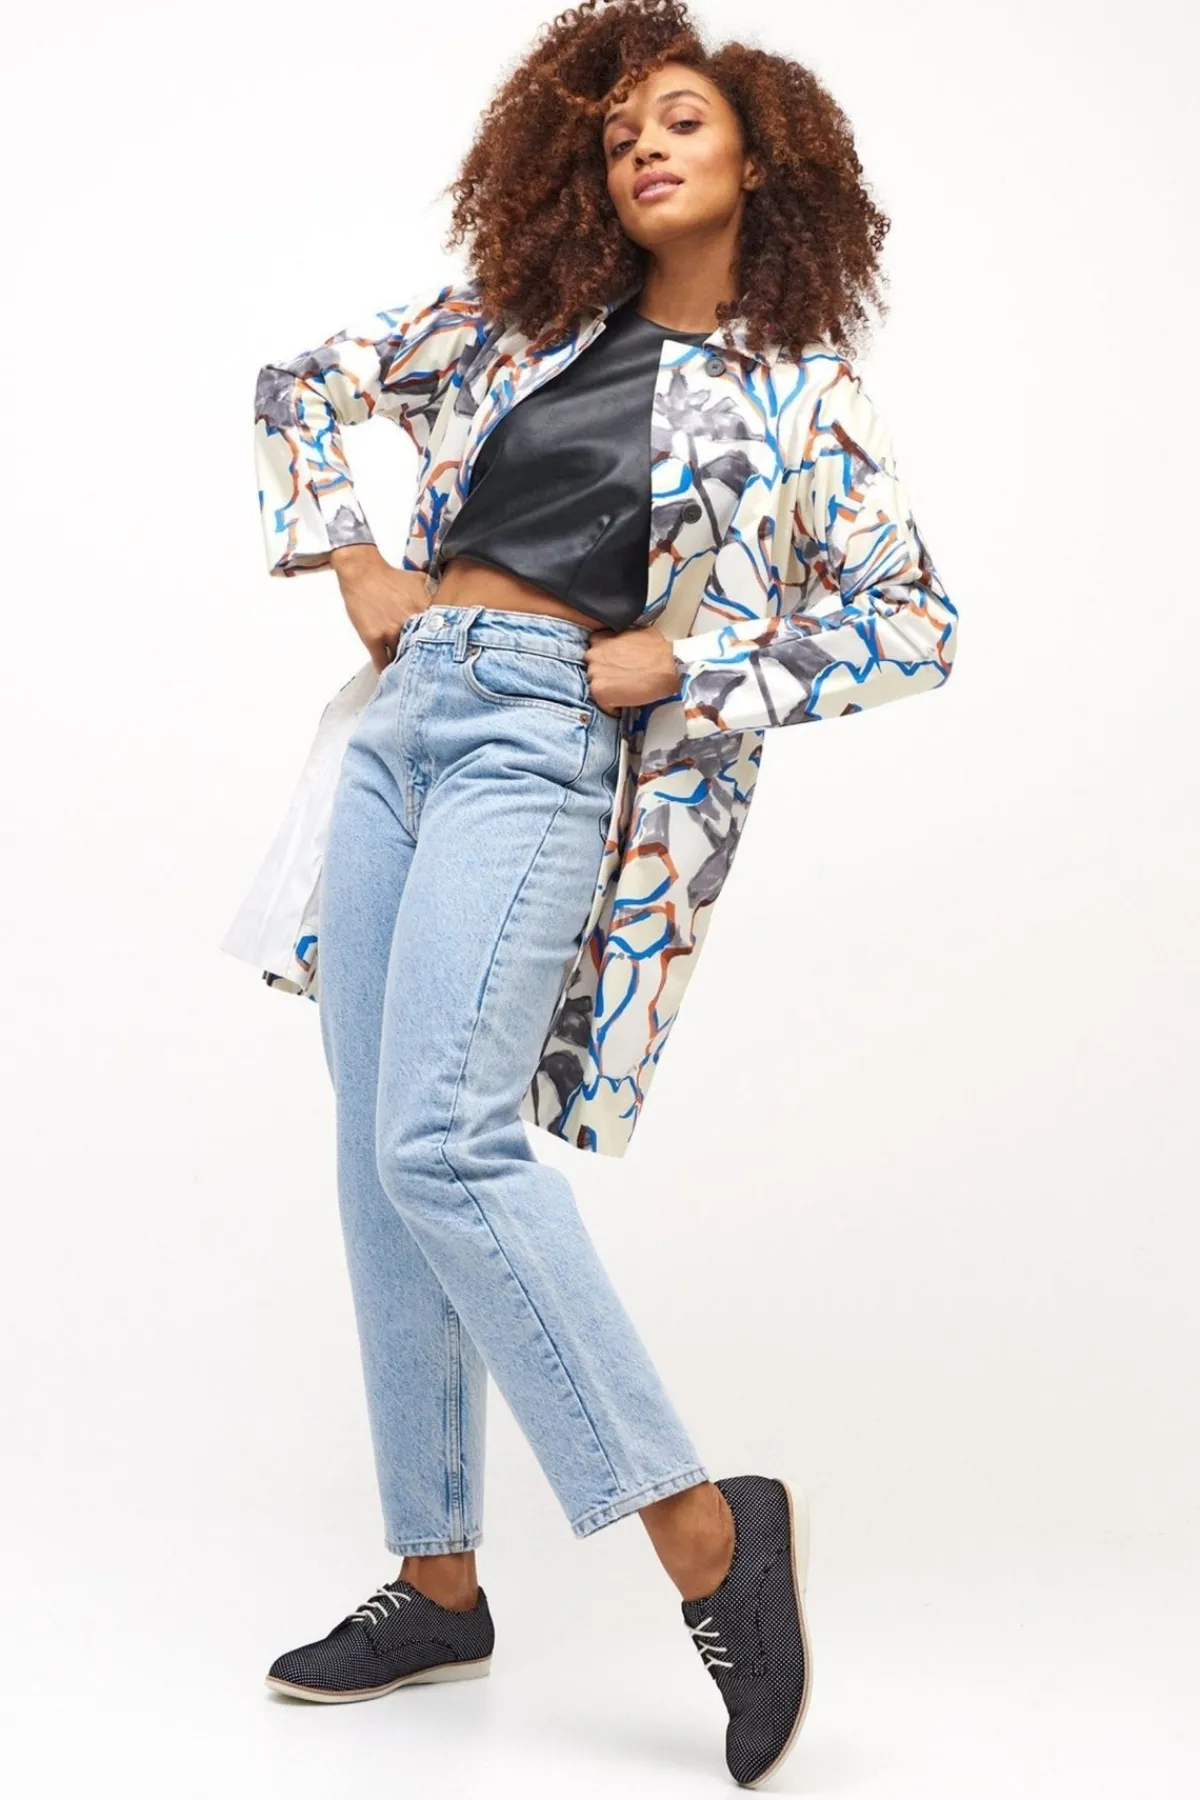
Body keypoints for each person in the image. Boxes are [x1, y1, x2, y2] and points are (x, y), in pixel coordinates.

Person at [247, 1, 957, 1785]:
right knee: (379, 1158)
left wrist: (687, 665)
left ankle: (706, 1533)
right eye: (622, 128)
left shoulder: (796, 397)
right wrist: (355, 557)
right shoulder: (519, 323)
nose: (645, 145)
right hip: (407, 720)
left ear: (761, 161)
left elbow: (913, 621)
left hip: (546, 741)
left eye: (684, 122)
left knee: (443, 1142)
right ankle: (438, 1584)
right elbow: (298, 383)